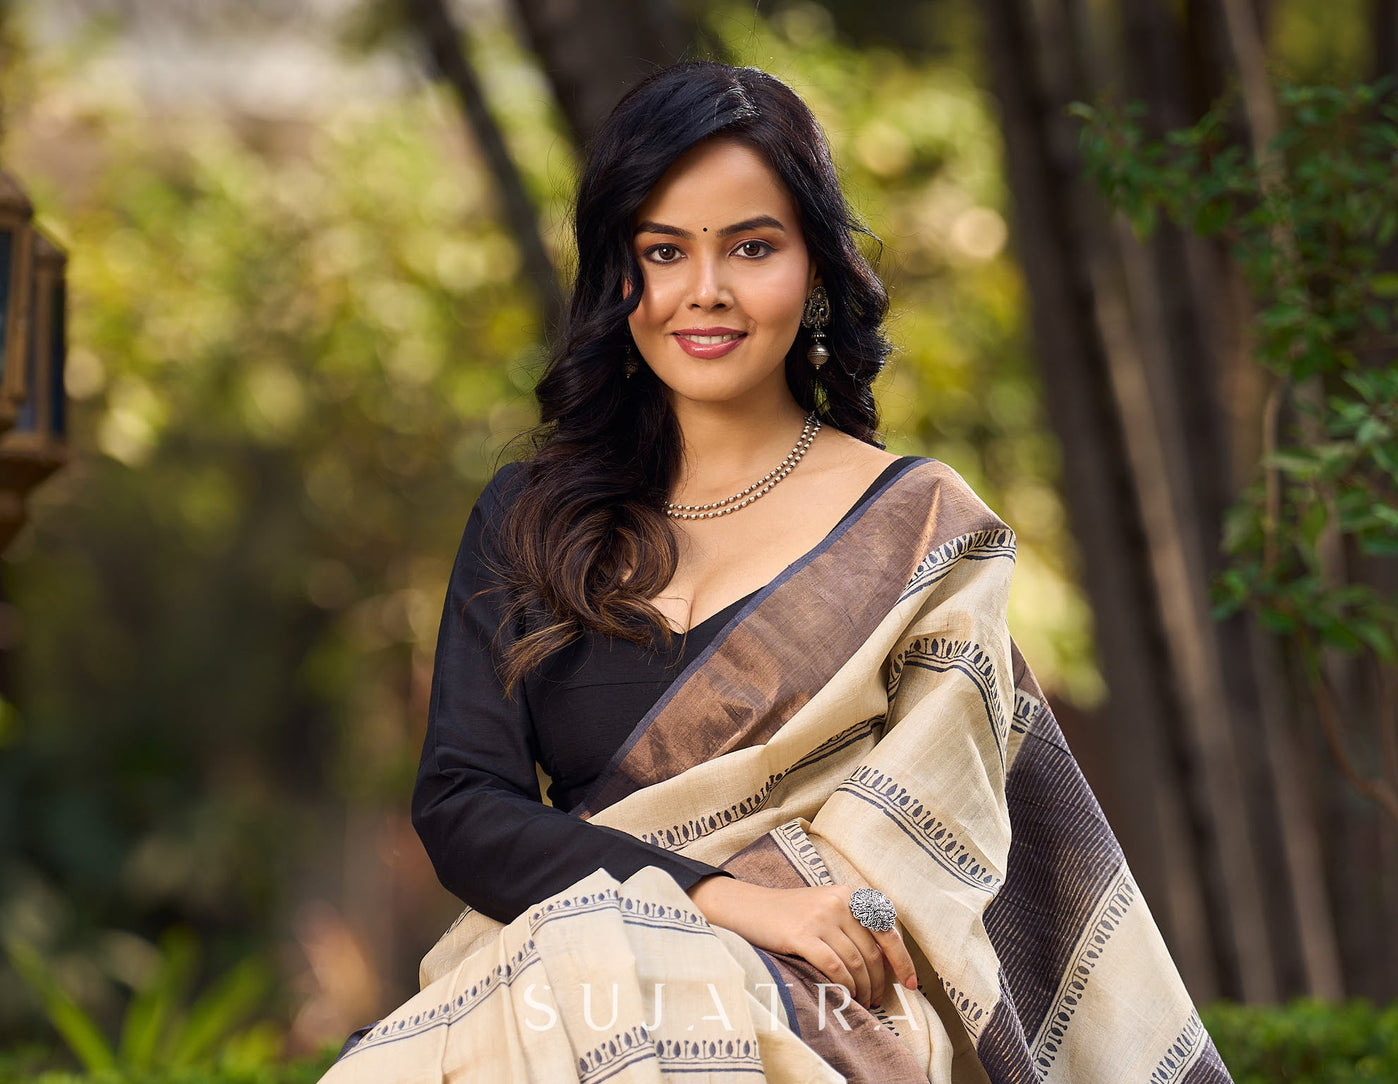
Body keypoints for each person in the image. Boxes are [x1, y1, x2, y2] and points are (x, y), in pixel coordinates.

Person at [322, 62, 1234, 1083]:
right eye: (661, 252)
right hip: (566, 989)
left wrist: (762, 930)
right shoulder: (530, 519)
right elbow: (465, 811)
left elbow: (916, 856)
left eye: (750, 247)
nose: (702, 292)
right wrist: (716, 899)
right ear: (616, 277)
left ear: (814, 269)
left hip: (831, 1007)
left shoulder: (915, 528)